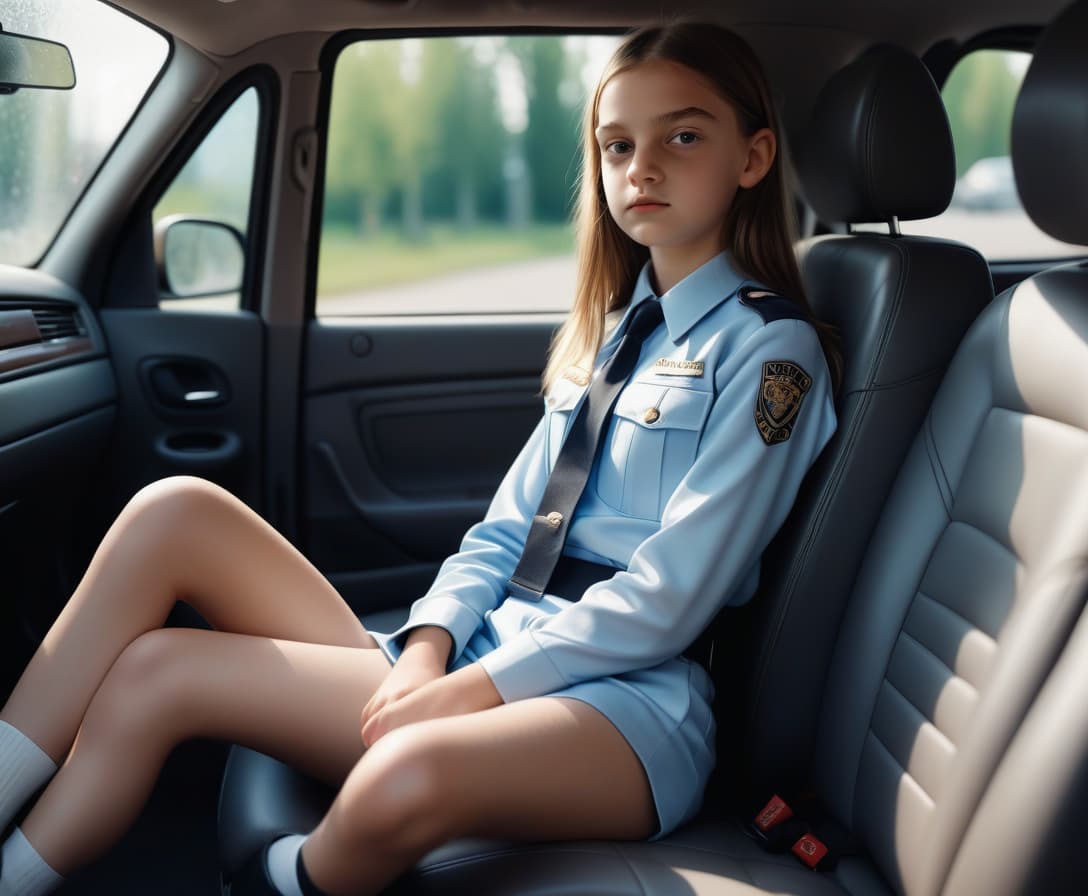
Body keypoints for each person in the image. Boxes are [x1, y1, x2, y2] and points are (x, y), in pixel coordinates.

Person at [0, 21, 838, 896]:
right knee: (168, 553)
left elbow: (668, 601)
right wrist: (432, 648)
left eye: (685, 135)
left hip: (628, 708)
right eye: (618, 143)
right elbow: (505, 532)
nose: (644, 167)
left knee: (404, 775)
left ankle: (280, 880)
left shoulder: (771, 352)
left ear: (754, 156)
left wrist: (472, 692)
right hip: (493, 647)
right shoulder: (609, 336)